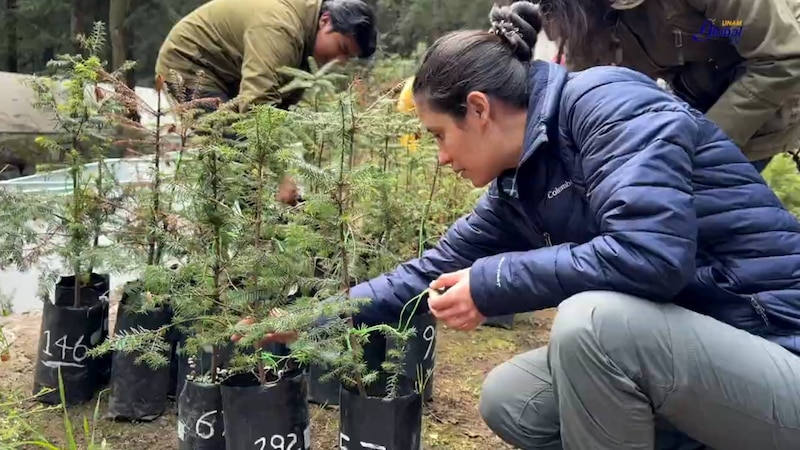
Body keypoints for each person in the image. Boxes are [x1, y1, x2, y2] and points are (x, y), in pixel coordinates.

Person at [247, 1, 800, 448]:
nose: (438, 157)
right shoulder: (520, 184)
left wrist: (492, 283)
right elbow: (425, 273)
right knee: (512, 399)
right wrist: (308, 318)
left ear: (480, 109)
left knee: (592, 324)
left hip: (774, 342)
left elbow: (652, 255)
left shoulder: (606, 105)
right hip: (707, 351)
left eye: (440, 134)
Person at [537, 0, 800, 173]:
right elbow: (585, 82)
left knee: (707, 210)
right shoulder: (580, 9)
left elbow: (781, 58)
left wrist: (696, 147)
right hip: (696, 89)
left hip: (771, 87)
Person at [155, 0, 377, 110]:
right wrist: (280, 176)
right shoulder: (281, 28)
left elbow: (281, 108)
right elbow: (258, 104)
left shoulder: (306, 45)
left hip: (229, 76)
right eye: (342, 48)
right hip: (189, 64)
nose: (339, 61)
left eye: (348, 58)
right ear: (325, 20)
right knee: (226, 148)